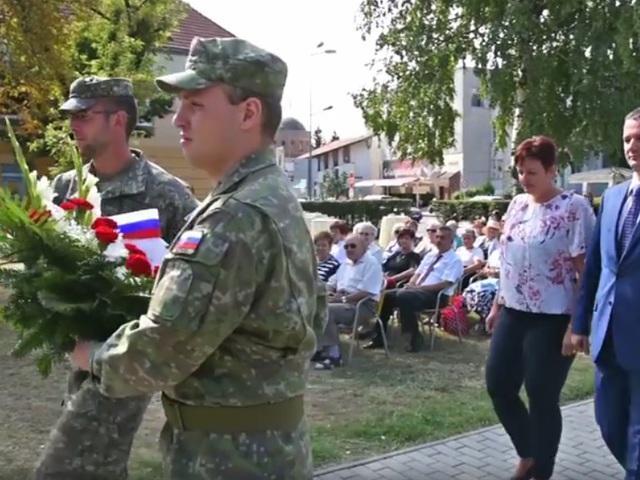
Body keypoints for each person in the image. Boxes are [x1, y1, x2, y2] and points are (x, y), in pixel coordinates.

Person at [69, 37, 324, 479]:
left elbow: (163, 348)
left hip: (229, 459)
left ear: (248, 113)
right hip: (262, 448)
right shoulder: (271, 196)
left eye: (196, 104)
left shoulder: (236, 214)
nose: (179, 118)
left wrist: (92, 357)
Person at [37, 76, 198, 480]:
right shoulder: (65, 186)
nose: (73, 123)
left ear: (118, 119)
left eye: (84, 115)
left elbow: (195, 274)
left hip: (129, 352)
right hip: (78, 348)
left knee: (76, 462)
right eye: (71, 115)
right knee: (95, 460)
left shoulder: (168, 193)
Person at [484, 135, 595, 480]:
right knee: (499, 386)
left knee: (541, 396)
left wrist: (577, 325)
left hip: (552, 318)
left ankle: (541, 471)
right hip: (513, 311)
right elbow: (510, 259)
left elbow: (585, 273)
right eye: (520, 171)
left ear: (552, 170)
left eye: (532, 172)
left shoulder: (574, 208)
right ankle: (528, 453)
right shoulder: (517, 204)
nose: (525, 179)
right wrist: (498, 305)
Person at [572, 107, 640, 480]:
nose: (632, 146)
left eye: (639, 138)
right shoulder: (613, 199)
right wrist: (580, 324)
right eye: (627, 138)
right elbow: (596, 267)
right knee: (610, 424)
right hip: (608, 335)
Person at [371, 225, 463, 352]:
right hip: (417, 291)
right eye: (437, 237)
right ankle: (378, 336)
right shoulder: (430, 255)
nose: (439, 240)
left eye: (443, 238)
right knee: (388, 295)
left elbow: (445, 284)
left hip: (437, 295)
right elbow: (417, 273)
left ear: (451, 241)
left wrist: (420, 288)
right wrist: (412, 284)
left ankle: (413, 337)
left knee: (405, 297)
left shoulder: (455, 260)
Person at [314, 234, 384, 368]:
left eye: (353, 246)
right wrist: (325, 292)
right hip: (344, 302)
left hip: (363, 306)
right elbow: (331, 282)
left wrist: (343, 298)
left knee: (327, 311)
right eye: (346, 246)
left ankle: (334, 356)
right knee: (315, 305)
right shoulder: (345, 264)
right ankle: (320, 349)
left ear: (363, 247)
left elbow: (367, 292)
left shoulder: (372, 264)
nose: (349, 249)